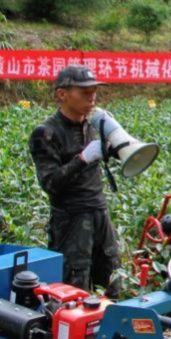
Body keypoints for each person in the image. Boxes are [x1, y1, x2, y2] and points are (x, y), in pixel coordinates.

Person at [29, 65, 120, 294]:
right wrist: (82, 159)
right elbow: (50, 183)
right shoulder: (46, 133)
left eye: (94, 92)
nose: (92, 98)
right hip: (71, 221)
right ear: (62, 94)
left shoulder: (93, 126)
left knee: (112, 281)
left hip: (99, 213)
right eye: (84, 92)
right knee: (73, 289)